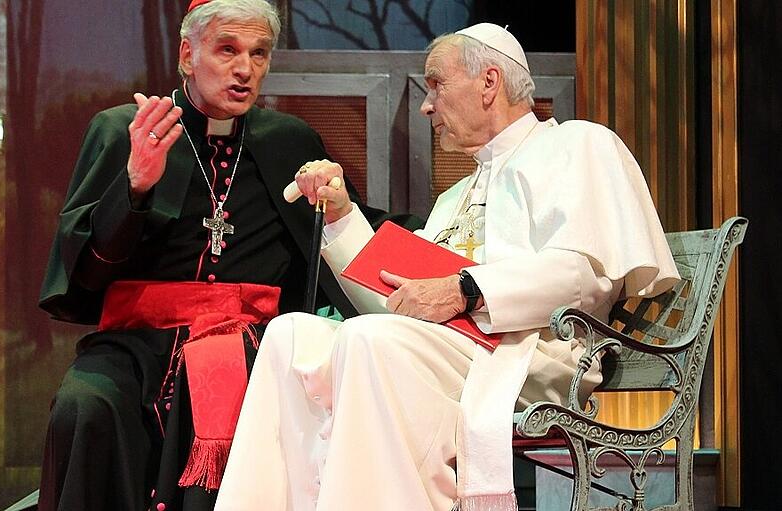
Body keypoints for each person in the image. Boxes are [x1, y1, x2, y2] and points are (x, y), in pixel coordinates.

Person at [213, 23, 681, 511]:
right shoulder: (457, 194)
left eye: (436, 83)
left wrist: (467, 289)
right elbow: (394, 306)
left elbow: (586, 275)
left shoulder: (578, 145)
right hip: (456, 348)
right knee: (290, 335)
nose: (426, 104)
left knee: (368, 339)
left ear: (489, 81)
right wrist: (340, 216)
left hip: (532, 351)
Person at [35, 1, 419, 510]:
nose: (245, 69)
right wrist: (135, 189)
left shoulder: (289, 140)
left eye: (259, 54)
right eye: (228, 50)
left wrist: (447, 255)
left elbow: (351, 232)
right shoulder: (125, 130)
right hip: (139, 347)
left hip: (255, 347)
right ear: (187, 55)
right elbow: (85, 267)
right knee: (85, 405)